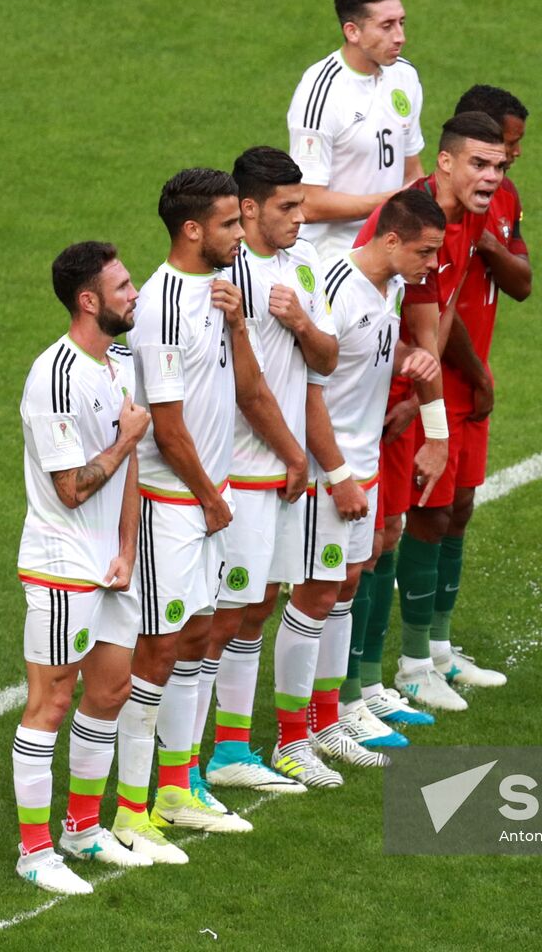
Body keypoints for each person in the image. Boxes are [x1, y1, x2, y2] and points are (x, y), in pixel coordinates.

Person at [109, 169, 308, 844]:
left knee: (196, 639)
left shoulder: (221, 292)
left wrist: (237, 326)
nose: (238, 233)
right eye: (228, 224)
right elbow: (167, 427)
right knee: (158, 650)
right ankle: (132, 811)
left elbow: (245, 387)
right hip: (172, 506)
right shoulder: (161, 305)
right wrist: (211, 500)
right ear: (193, 230)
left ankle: (176, 786)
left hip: (204, 504)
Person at [269, 188, 444, 778]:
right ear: (390, 240)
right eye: (425, 252)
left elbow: (364, 353)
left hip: (363, 461)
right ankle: (292, 739)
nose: (432, 266)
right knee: (316, 595)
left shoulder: (390, 283)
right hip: (331, 467)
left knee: (345, 588)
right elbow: (311, 393)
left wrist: (406, 361)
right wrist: (340, 476)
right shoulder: (334, 287)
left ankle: (327, 721)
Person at [190, 146, 341, 796]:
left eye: (302, 203)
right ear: (247, 208)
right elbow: (242, 388)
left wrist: (301, 321)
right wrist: (290, 453)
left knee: (257, 607)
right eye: (287, 207)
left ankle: (227, 751)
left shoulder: (303, 264)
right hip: (238, 473)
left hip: (281, 474)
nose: (300, 218)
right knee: (219, 618)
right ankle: (181, 769)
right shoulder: (226, 276)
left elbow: (327, 361)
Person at [350, 111, 507, 721]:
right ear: (445, 162)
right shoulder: (413, 221)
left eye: (498, 165)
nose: (492, 176)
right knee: (371, 539)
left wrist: (427, 402)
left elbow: (433, 322)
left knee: (392, 530)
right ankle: (357, 691)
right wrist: (427, 421)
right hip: (372, 396)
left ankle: (391, 676)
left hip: (406, 387)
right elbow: (407, 324)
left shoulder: (463, 220)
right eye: (479, 163)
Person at [12, 241, 154, 894]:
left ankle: (82, 828)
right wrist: (127, 436)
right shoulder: (57, 377)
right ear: (88, 301)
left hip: (108, 567)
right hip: (61, 566)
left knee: (110, 692)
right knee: (52, 702)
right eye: (123, 287)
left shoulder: (114, 366)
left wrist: (127, 550)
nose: (133, 294)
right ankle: (35, 852)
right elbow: (72, 487)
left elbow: (128, 476)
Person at [427, 85, 532, 690]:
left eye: (512, 149)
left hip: (472, 378)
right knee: (417, 520)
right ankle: (412, 661)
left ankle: (440, 647)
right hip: (441, 376)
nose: (511, 158)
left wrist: (491, 239)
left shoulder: (501, 198)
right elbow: (438, 305)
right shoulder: (438, 210)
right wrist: (474, 371)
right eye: (504, 145)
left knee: (459, 509)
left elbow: (520, 282)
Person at [287, 0, 424, 265]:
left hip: (392, 250)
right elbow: (306, 202)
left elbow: (413, 172)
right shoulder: (321, 92)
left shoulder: (405, 76)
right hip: (334, 258)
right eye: (386, 26)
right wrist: (390, 203)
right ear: (353, 31)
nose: (400, 37)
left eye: (401, 23)